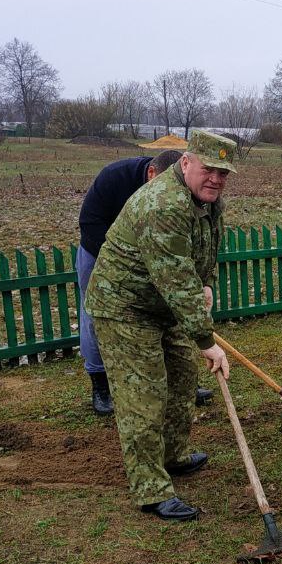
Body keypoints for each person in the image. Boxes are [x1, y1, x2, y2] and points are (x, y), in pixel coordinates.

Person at [85, 130, 236, 521]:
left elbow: (206, 251)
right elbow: (174, 278)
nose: (216, 179)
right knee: (144, 394)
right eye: (209, 169)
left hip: (160, 305)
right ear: (186, 163)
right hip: (124, 306)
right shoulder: (163, 205)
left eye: (223, 172)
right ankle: (150, 488)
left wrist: (207, 285)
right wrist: (206, 341)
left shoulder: (209, 201)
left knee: (183, 378)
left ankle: (172, 454)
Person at [77, 148, 213, 415]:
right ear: (152, 173)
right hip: (100, 253)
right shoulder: (113, 177)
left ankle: (180, 383)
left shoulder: (179, 197)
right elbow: (89, 222)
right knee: (94, 316)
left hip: (154, 256)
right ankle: (100, 385)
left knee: (170, 316)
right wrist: (132, 259)